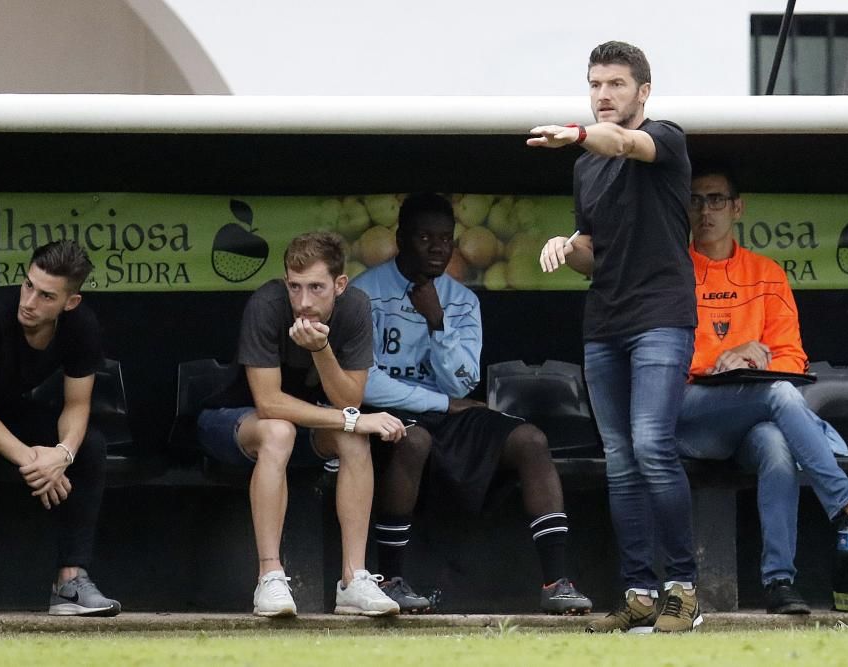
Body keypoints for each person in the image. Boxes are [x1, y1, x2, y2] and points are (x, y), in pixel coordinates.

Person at [675, 167, 848, 614]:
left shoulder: (765, 274)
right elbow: (659, 358)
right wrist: (720, 361)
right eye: (695, 200)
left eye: (715, 199)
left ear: (737, 207)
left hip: (749, 416)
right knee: (780, 398)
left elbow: (792, 359)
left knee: (776, 442)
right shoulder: (673, 271)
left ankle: (778, 583)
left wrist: (755, 356)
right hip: (692, 414)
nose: (705, 210)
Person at [351, 193, 592, 615]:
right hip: (388, 416)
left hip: (443, 410)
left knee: (530, 439)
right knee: (415, 440)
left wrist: (437, 322)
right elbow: (365, 384)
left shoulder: (462, 300)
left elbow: (463, 380)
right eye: (425, 237)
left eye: (445, 239)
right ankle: (390, 579)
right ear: (400, 238)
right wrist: (444, 404)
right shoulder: (363, 293)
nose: (437, 248)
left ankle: (556, 581)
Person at [529, 40, 701, 633]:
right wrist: (567, 246)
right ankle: (639, 595)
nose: (604, 95)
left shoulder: (666, 137)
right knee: (621, 463)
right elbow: (594, 258)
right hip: (605, 323)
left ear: (643, 93)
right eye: (596, 85)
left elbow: (625, 143)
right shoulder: (586, 167)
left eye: (617, 85)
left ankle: (683, 589)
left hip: (662, 317)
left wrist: (577, 133)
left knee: (653, 446)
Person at [196, 231, 405, 617]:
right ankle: (269, 577)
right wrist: (351, 419)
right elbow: (269, 402)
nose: (303, 302)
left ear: (340, 285)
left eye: (315, 288)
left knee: (353, 439)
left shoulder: (356, 307)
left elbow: (350, 399)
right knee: (282, 430)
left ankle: (353, 579)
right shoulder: (268, 304)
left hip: (301, 430)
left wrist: (321, 351)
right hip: (230, 422)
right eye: (295, 286)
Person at [0, 240, 120, 617]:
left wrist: (61, 454)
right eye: (28, 286)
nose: (30, 301)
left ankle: (69, 583)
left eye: (46, 296)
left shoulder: (81, 326)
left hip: (7, 412)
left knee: (90, 447)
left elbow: (77, 405)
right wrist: (32, 460)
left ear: (70, 303)